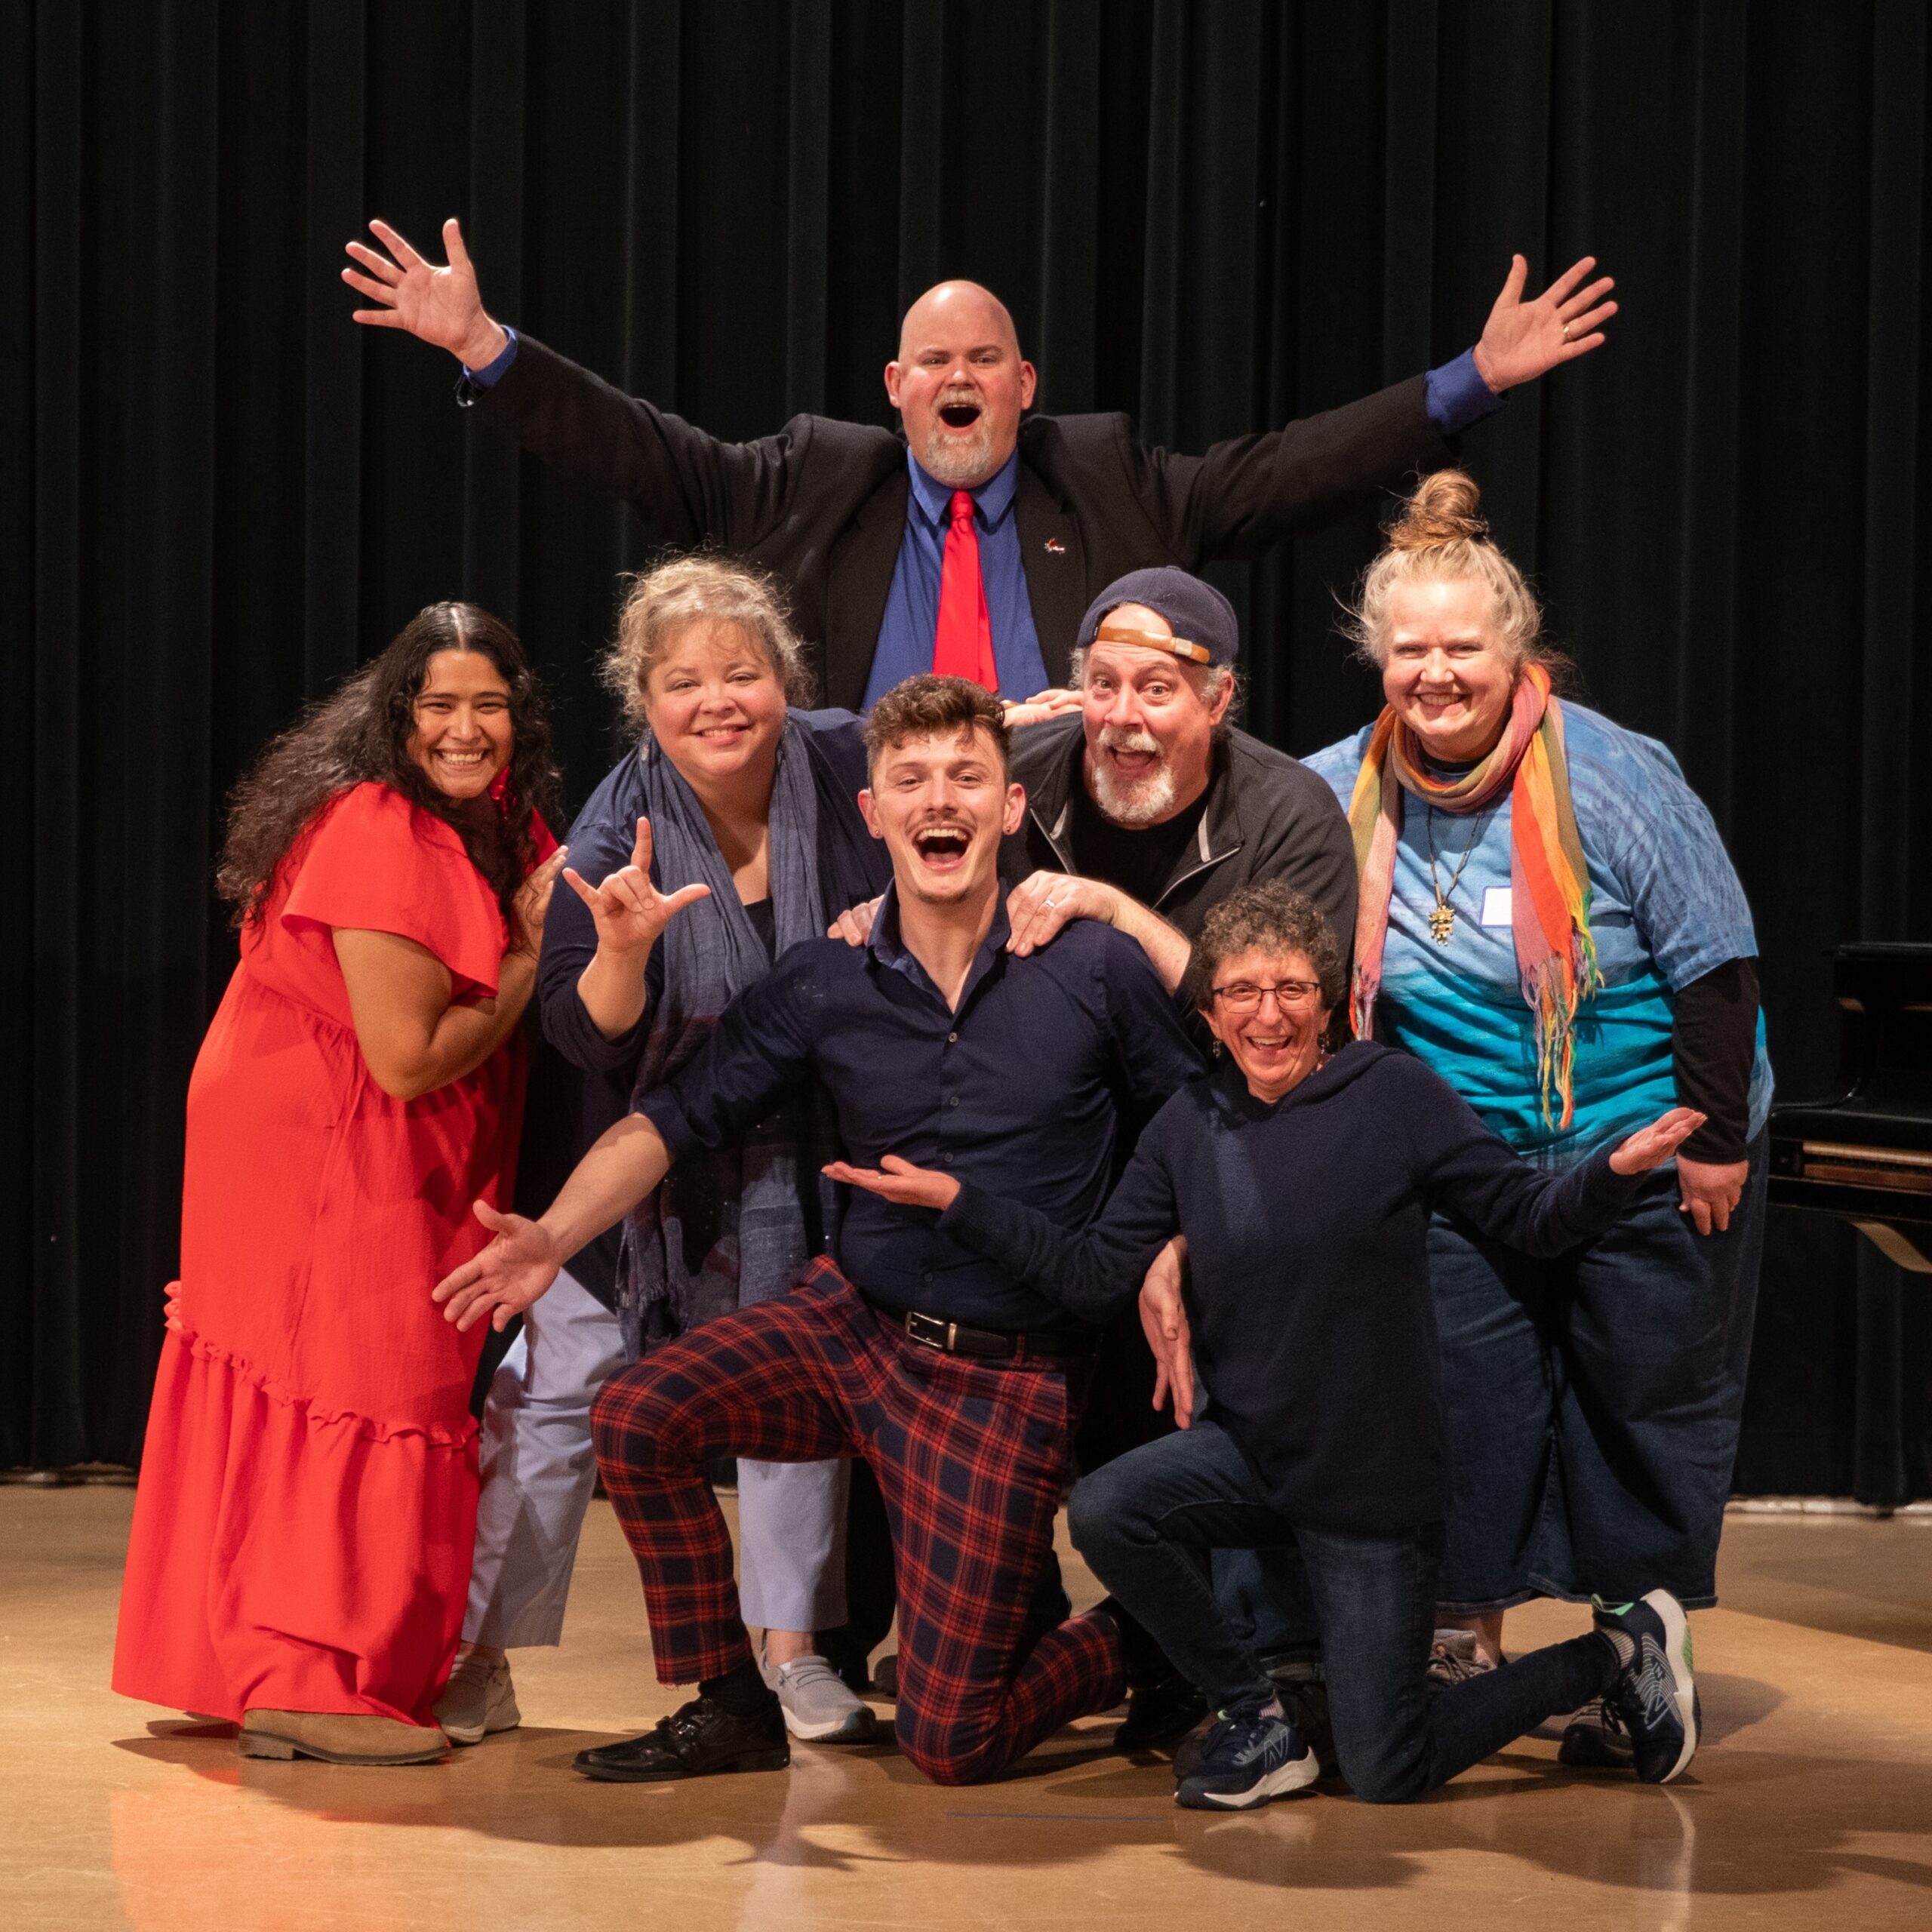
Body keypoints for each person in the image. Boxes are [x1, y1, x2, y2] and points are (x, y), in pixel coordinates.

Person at [432, 675, 1204, 1786]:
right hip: (854, 1325)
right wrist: (551, 1239)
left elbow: (1189, 1117)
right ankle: (728, 1700)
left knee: (952, 1742)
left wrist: (1164, 1248)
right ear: (873, 813)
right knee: (640, 1413)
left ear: (1007, 809)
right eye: (911, 780)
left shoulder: (1088, 967)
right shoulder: (827, 976)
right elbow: (677, 1117)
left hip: (1002, 1372)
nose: (939, 798)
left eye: (967, 778)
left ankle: (1145, 1634)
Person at [830, 881, 1709, 1809]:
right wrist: (959, 1204)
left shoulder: (1393, 1094)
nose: (1268, 1013)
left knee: (1386, 1771)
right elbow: (1093, 1275)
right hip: (1251, 1457)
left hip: (1371, 1485)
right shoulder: (1187, 1125)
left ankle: (1615, 1649)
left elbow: (1524, 1218)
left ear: (1326, 1004)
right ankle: (1257, 1712)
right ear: (1209, 1013)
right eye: (1242, 992)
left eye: (1290, 988)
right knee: (1108, 1509)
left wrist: (1610, 1170)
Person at [342, 218, 1617, 707]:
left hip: (1064, 843)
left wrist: (1475, 380)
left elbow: (1289, 472)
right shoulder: (806, 479)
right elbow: (633, 446)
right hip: (854, 853)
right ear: (897, 391)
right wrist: (488, 348)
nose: (960, 380)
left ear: (1025, 387)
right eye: (934, 362)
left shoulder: (1108, 480)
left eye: (985, 360)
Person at [1303, 469, 1772, 1768]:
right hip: (1473, 1164)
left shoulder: (1615, 777)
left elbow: (1718, 968)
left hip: (1652, 1139)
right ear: (1376, 659)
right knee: (1468, 1403)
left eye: (1464, 650)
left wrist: (1720, 1138)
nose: (1437, 675)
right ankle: (1471, 1643)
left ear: (1517, 653)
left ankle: (1639, 1655)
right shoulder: (1335, 791)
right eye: (1412, 652)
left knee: (1639, 1400)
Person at [437, 557, 893, 1752]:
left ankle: (791, 1655)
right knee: (553, 1405)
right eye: (684, 682)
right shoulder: (610, 830)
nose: (718, 702)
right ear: (643, 699)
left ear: (785, 680)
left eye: (742, 673)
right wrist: (628, 948)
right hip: (638, 1163)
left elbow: (959, 756)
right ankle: (483, 1657)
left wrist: (1035, 720)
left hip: (815, 1155)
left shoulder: (847, 760)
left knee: (791, 1404)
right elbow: (584, 1033)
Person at [111, 603, 567, 1767]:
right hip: (326, 1133)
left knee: (299, 1366)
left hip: (314, 1114)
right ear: (396, 714)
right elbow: (408, 1058)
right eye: (439, 704)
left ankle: (237, 1660)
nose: (465, 728)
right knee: (362, 1361)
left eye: (489, 704)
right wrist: (525, 961)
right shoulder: (378, 825)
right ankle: (314, 1676)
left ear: (521, 716)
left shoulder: (497, 822)